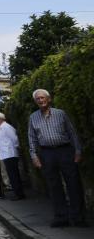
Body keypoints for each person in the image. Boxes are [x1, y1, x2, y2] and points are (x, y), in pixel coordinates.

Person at [28, 89, 86, 227]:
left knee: (73, 184)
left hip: (65, 150)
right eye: (38, 99)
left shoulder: (61, 114)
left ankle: (78, 217)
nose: (41, 101)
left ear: (49, 99)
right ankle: (61, 217)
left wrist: (77, 151)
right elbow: (31, 138)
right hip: (47, 153)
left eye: (42, 98)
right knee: (54, 186)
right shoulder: (33, 117)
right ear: (36, 102)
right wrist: (34, 156)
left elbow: (72, 133)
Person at [0, 112, 25, 200]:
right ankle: (17, 193)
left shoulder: (6, 127)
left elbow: (14, 138)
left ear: (0, 118)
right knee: (12, 175)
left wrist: (16, 148)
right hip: (6, 155)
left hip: (10, 154)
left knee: (14, 175)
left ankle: (19, 194)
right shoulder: (2, 127)